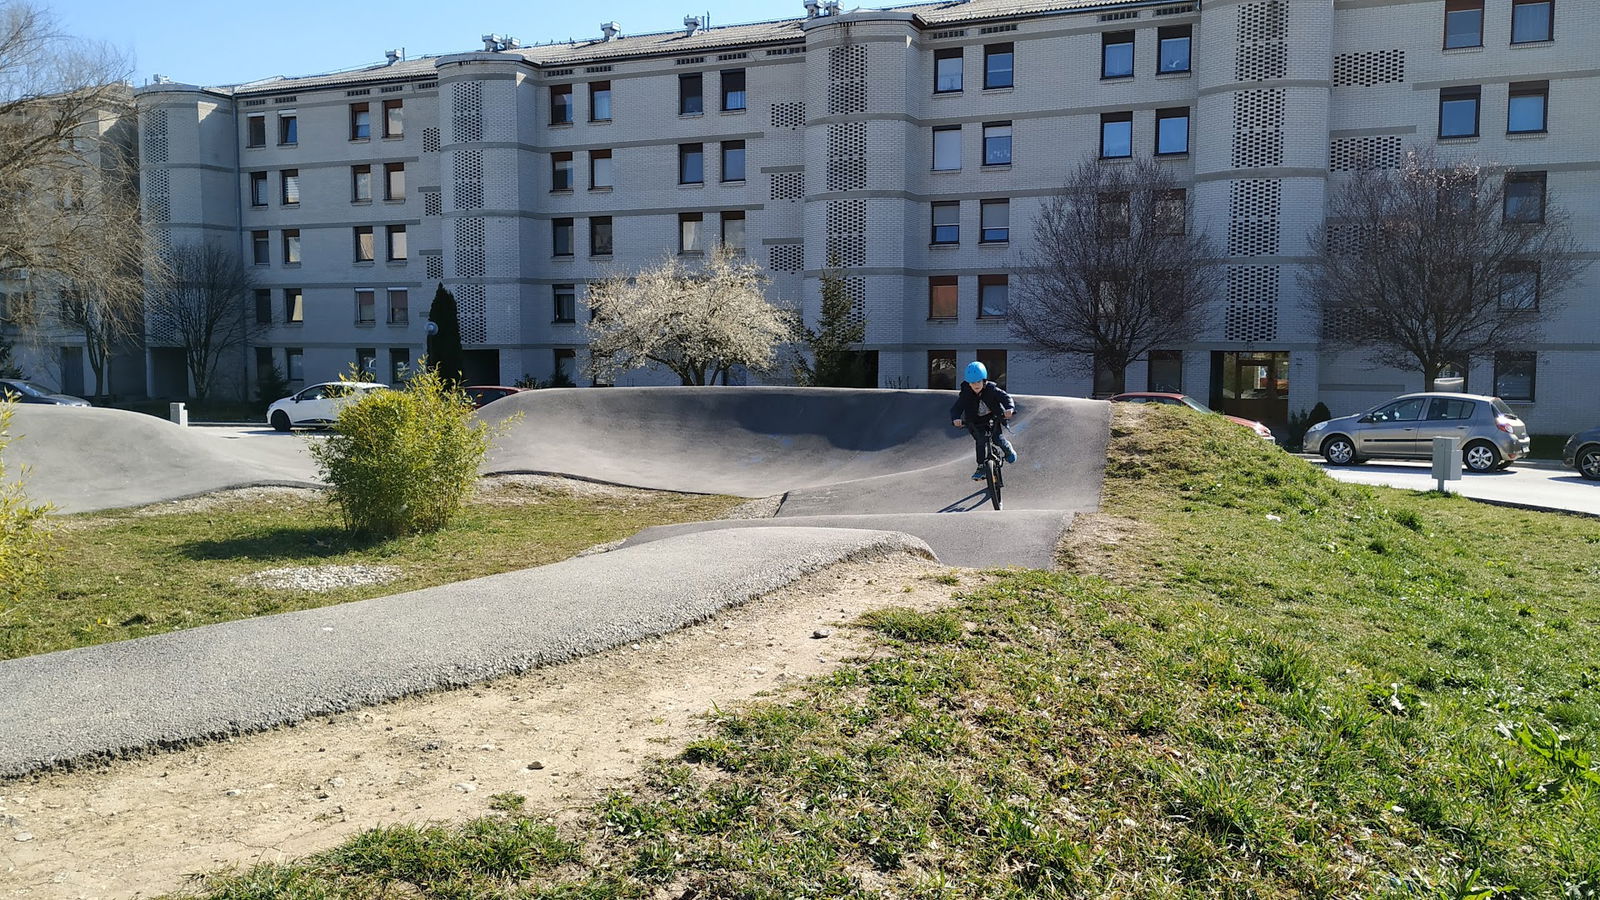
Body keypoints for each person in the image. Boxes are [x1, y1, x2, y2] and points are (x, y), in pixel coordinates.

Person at [950, 361, 1017, 481]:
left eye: (978, 382)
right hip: (976, 422)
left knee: (998, 439)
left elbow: (1005, 398)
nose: (975, 385)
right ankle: (981, 467)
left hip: (993, 418)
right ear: (968, 383)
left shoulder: (992, 389)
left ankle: (1008, 449)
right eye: (972, 383)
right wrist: (956, 418)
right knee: (980, 442)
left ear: (984, 380)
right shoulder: (966, 394)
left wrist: (1009, 409)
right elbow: (956, 408)